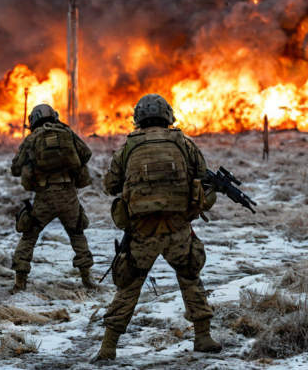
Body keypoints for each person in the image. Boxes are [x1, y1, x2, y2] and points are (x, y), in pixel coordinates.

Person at [93, 94, 221, 361]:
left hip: (143, 231)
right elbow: (201, 172)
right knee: (190, 277)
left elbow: (110, 186)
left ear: (138, 118)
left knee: (128, 286)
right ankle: (204, 337)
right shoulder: (184, 143)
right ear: (168, 116)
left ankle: (108, 346)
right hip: (177, 228)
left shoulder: (128, 148)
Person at [9, 104, 95, 293]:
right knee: (77, 234)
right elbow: (86, 154)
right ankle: (87, 279)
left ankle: (19, 282)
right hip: (68, 195)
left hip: (44, 197)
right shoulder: (67, 132)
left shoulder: (32, 138)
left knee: (29, 235)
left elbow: (15, 168)